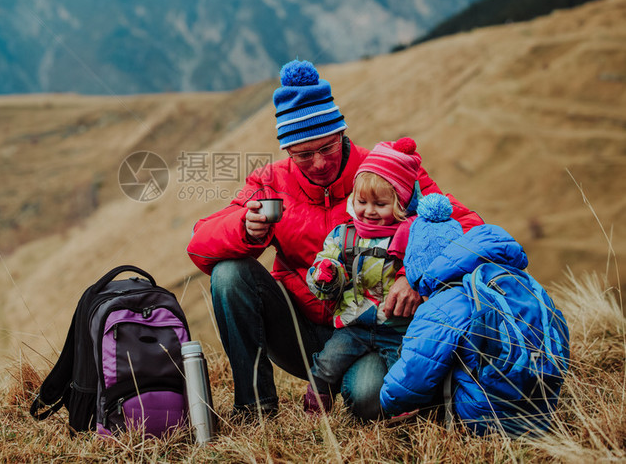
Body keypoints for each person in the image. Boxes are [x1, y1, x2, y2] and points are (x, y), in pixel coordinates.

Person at [186, 59, 483, 420]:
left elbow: (465, 226)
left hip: (374, 327)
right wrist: (243, 228)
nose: (320, 163)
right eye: (304, 155)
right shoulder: (271, 182)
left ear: (342, 133)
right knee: (229, 273)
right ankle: (255, 409)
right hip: (301, 328)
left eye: (327, 147)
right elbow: (200, 245)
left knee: (369, 400)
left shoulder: (386, 170)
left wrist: (414, 275)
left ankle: (357, 384)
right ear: (287, 152)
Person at [380, 193, 570, 436]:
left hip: (486, 417)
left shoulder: (443, 303)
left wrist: (383, 403)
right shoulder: (514, 280)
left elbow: (409, 381)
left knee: (434, 370)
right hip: (541, 411)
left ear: (422, 270)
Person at [303, 137, 421, 415]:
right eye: (362, 201)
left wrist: (410, 276)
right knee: (328, 361)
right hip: (354, 323)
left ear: (400, 202)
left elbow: (427, 265)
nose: (368, 211)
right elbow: (328, 258)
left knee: (403, 366)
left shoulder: (412, 235)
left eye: (380, 204)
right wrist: (326, 274)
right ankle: (317, 400)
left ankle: (401, 408)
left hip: (397, 327)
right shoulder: (344, 235)